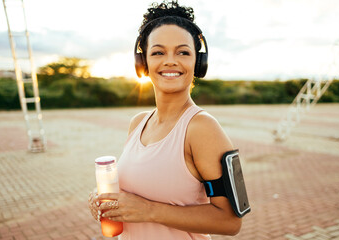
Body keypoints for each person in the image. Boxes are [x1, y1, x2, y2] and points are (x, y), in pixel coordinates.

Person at [89, 1, 242, 239]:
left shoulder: (201, 128)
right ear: (143, 63)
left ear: (198, 63)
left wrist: (148, 210)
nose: (170, 61)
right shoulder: (138, 122)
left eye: (183, 52)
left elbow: (230, 222)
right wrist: (109, 200)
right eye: (158, 52)